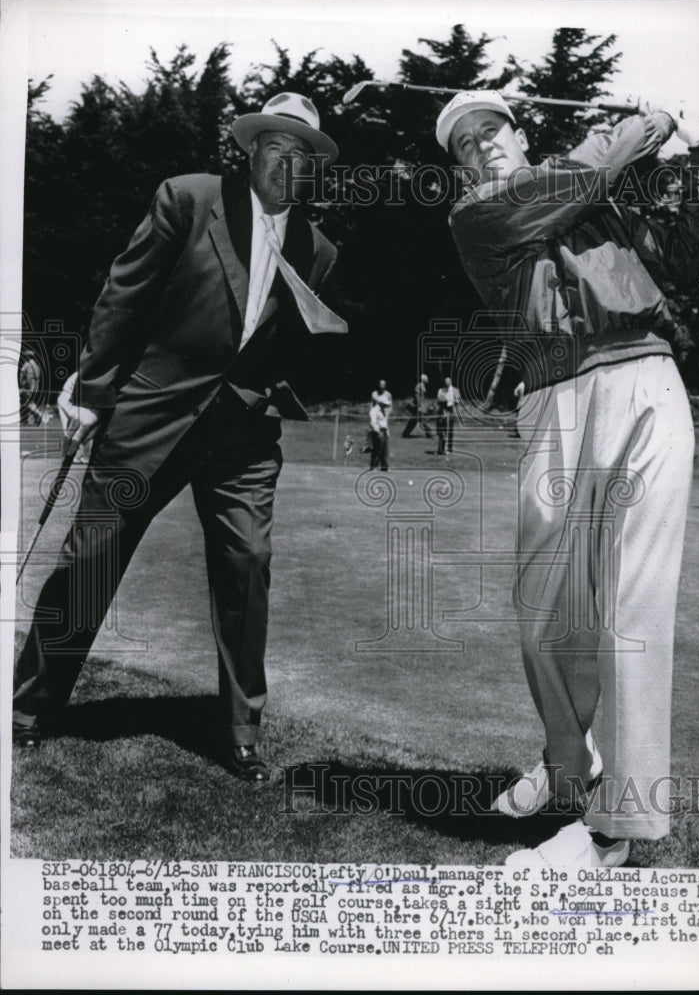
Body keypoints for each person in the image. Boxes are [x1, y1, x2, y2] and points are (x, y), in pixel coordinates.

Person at [13, 92, 345, 785]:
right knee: (92, 560)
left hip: (242, 435)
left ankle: (240, 735)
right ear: (251, 151)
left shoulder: (318, 251)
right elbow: (124, 295)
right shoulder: (188, 200)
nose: (289, 162)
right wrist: (96, 392)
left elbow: (284, 346)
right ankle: (28, 709)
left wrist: (271, 390)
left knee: (247, 566)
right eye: (276, 147)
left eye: (303, 154)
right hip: (149, 415)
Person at [436, 90, 699, 866]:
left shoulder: (603, 201)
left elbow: (688, 252)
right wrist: (649, 123)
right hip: (554, 396)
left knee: (634, 605)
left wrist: (694, 160)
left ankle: (616, 827)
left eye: (491, 129)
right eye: (464, 144)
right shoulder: (479, 217)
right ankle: (569, 763)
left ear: (519, 132)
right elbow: (580, 174)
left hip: (646, 375)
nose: (481, 146)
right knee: (544, 616)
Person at [402, 373, 432, 438]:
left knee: (414, 420)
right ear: (423, 379)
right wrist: (419, 406)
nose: (427, 379)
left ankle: (406, 433)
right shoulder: (419, 386)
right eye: (426, 378)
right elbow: (417, 396)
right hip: (417, 406)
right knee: (421, 419)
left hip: (419, 405)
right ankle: (428, 432)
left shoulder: (423, 386)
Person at [435, 376, 460, 454]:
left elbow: (458, 400)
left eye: (448, 382)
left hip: (450, 411)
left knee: (449, 431)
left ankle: (449, 448)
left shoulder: (455, 390)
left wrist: (453, 401)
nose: (446, 384)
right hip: (442, 411)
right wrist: (442, 401)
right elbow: (438, 400)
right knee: (441, 431)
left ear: (450, 382)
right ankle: (441, 449)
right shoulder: (441, 390)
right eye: (445, 382)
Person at [368, 397, 390, 471]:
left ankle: (384, 467)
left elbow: (385, 422)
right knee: (377, 450)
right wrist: (377, 431)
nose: (386, 406)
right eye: (384, 404)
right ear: (380, 403)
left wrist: (387, 431)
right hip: (378, 431)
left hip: (384, 431)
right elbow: (372, 422)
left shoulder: (383, 411)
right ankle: (374, 466)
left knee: (385, 450)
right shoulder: (374, 411)